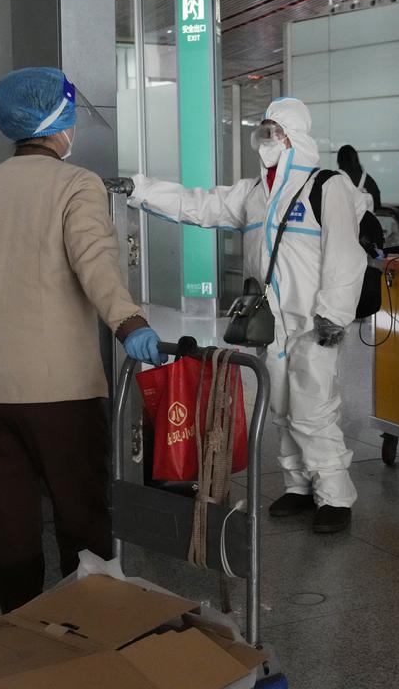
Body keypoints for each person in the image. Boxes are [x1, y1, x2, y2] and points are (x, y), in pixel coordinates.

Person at [0, 67, 166, 612]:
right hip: (56, 391)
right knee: (82, 520)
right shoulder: (77, 185)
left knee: (10, 527)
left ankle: (23, 637)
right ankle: (86, 636)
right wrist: (130, 323)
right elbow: (94, 262)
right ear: (59, 121)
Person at [127, 98, 365, 533]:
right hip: (271, 322)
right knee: (279, 408)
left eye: (274, 130)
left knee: (312, 409)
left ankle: (335, 495)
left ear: (294, 135)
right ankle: (298, 487)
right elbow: (199, 205)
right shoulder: (255, 194)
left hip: (314, 322)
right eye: (264, 129)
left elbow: (346, 253)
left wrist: (334, 312)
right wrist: (140, 190)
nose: (266, 138)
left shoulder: (326, 185)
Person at [337, 144, 381, 212]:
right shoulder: (370, 181)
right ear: (356, 159)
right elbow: (377, 205)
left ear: (339, 161)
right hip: (367, 222)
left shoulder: (335, 180)